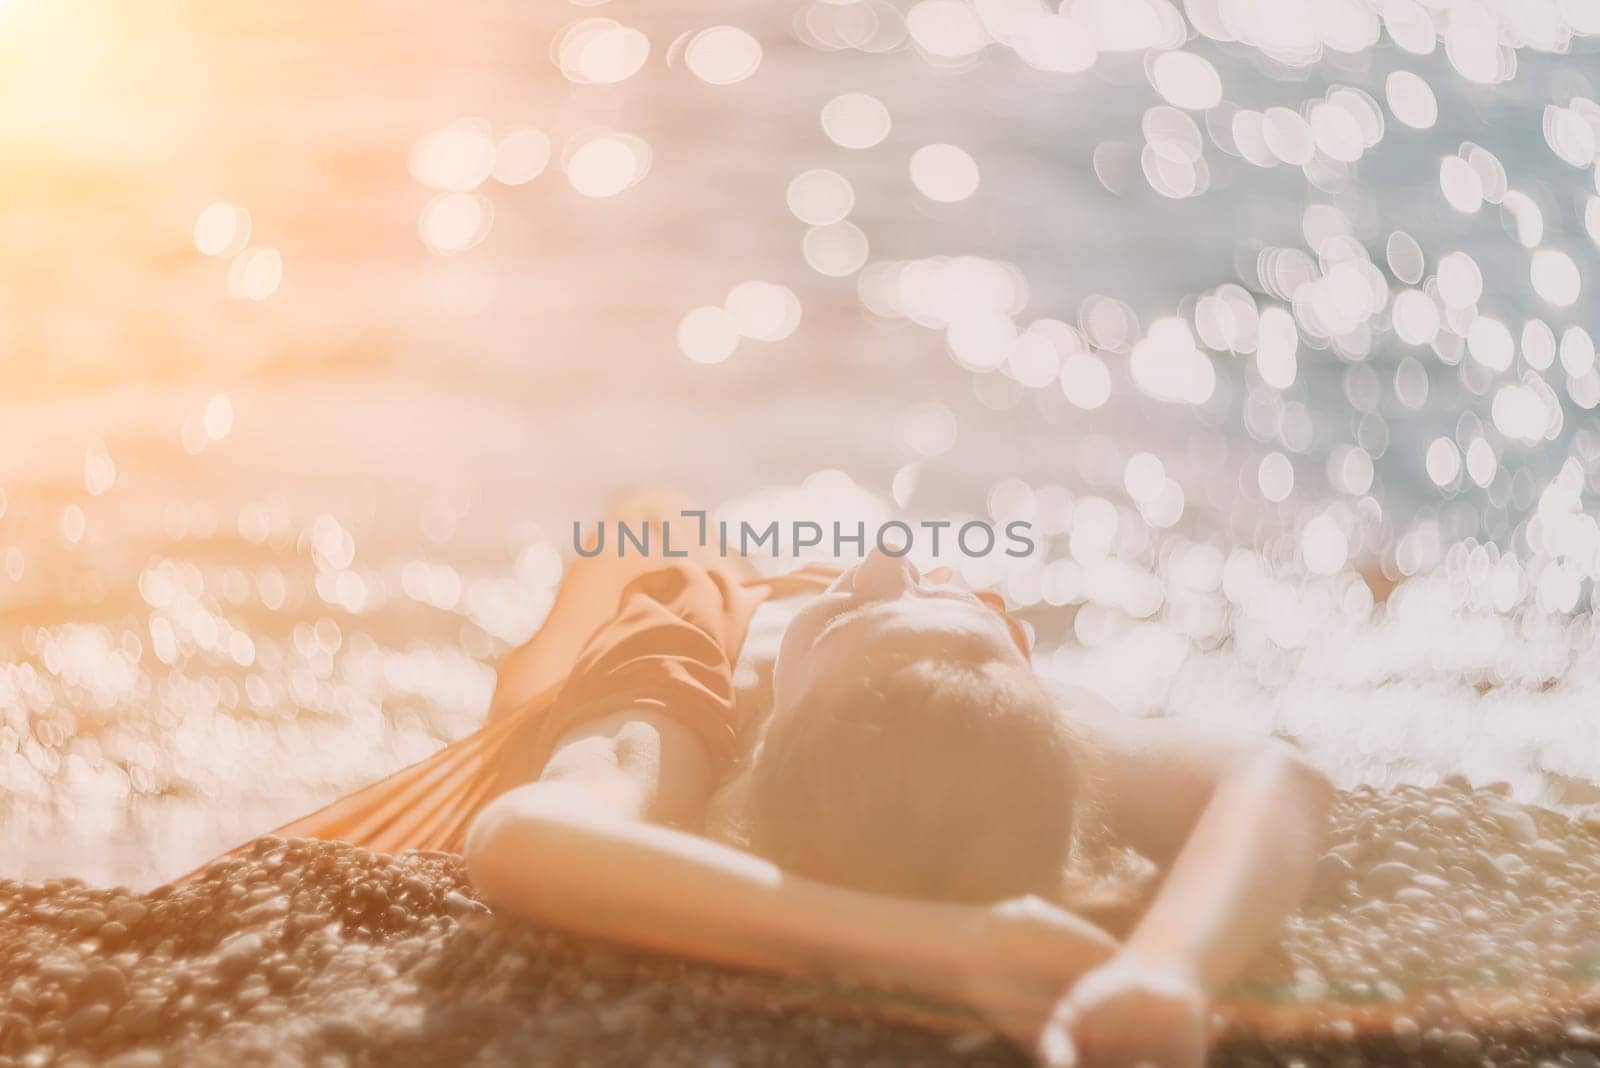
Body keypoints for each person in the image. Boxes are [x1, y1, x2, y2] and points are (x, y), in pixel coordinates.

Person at [275, 492, 1332, 1066]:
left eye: (860, 611)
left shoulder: (684, 684)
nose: (885, 557)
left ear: (763, 746)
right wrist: (1165, 969)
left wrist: (949, 949)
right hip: (836, 641)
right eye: (985, 615)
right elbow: (1272, 777)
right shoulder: (1010, 705)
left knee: (635, 543)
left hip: (680, 613)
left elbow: (522, 838)